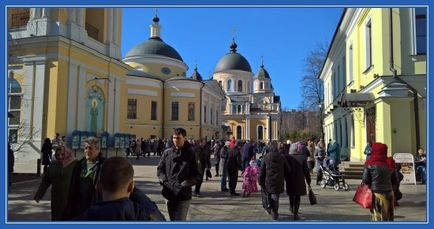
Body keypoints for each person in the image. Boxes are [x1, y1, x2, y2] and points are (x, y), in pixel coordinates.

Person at [76, 157, 149, 220]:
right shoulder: (141, 215)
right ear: (130, 187)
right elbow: (154, 213)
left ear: (98, 186)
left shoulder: (86, 217)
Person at [157, 128, 201, 221]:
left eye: (178, 138)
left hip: (183, 195)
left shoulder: (191, 153)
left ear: (184, 138)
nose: (175, 140)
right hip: (169, 193)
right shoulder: (167, 153)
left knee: (180, 221)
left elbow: (198, 175)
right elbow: (160, 170)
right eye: (174, 138)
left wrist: (185, 183)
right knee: (172, 220)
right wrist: (164, 181)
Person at [65, 137, 106, 219]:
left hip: (95, 207)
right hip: (79, 208)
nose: (87, 150)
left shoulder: (104, 165)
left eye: (90, 148)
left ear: (98, 150)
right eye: (85, 148)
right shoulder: (79, 165)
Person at [34, 145, 77, 220]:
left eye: (63, 154)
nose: (60, 157)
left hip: (70, 199)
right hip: (56, 198)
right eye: (57, 155)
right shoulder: (53, 165)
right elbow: (46, 181)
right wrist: (39, 195)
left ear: (67, 153)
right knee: (56, 217)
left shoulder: (75, 164)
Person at [362, 142, 396, 221]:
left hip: (376, 195)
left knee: (377, 216)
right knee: (388, 217)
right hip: (389, 193)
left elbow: (365, 180)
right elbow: (395, 181)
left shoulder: (369, 164)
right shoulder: (390, 163)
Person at [259, 142, 288, 220]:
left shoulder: (265, 157)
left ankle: (269, 208)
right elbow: (287, 169)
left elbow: (262, 171)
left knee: (267, 195)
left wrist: (260, 180)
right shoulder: (282, 157)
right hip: (279, 181)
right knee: (276, 197)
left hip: (268, 181)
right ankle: (275, 211)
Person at [284, 141, 311, 220]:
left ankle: (291, 207)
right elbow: (306, 170)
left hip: (290, 179)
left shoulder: (287, 157)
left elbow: (285, 169)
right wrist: (308, 181)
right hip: (299, 180)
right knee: (297, 196)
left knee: (291, 194)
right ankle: (296, 212)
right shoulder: (302, 158)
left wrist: (284, 178)